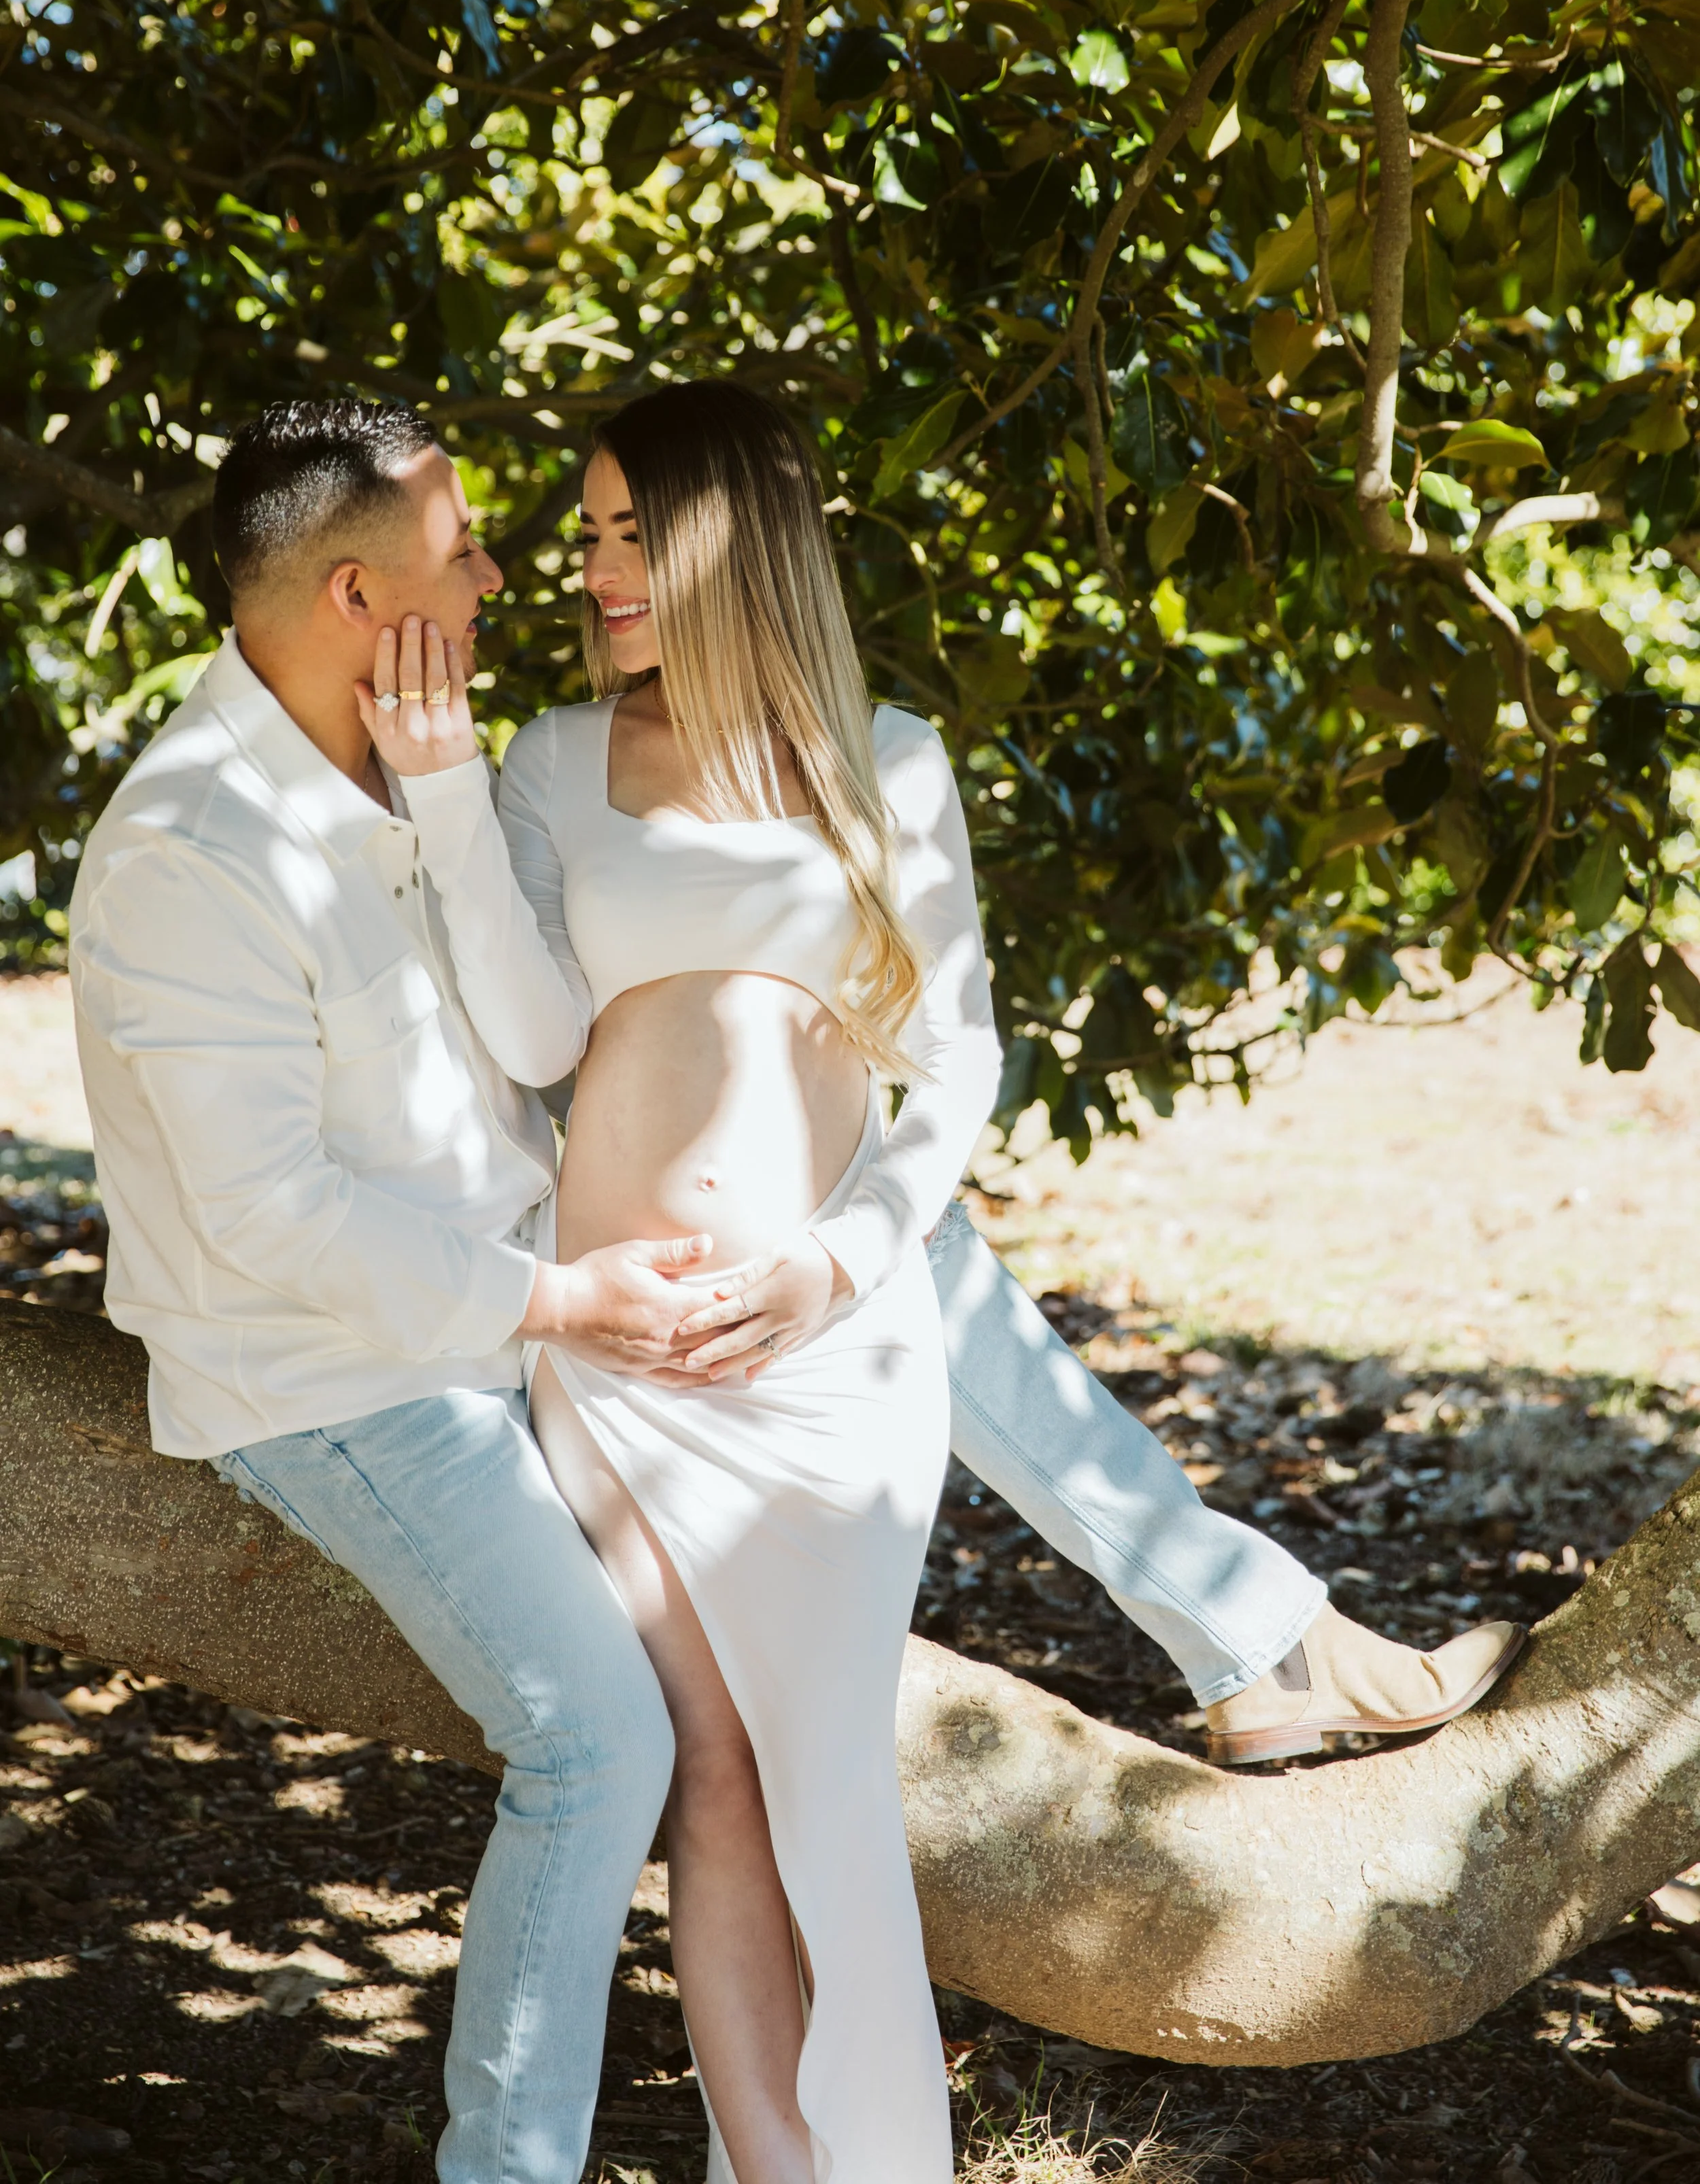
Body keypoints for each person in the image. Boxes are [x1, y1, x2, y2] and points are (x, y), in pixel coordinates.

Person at [67, 392, 1518, 2184]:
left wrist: (829, 1254)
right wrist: (573, 1284)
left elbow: (950, 1062)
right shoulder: (449, 777)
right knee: (687, 1771)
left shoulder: (873, 754)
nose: (551, 569)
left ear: (716, 550)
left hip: (790, 1336)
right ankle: (1232, 1652)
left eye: (608, 536)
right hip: (579, 1350)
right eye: (526, 536)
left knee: (826, 1769)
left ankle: (1235, 1646)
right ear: (366, 595)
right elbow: (473, 1073)